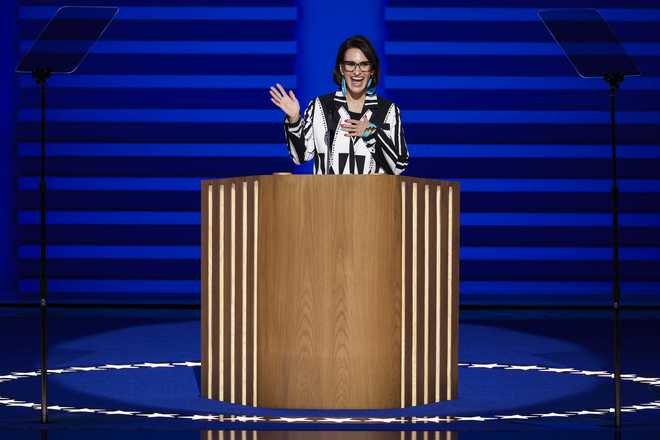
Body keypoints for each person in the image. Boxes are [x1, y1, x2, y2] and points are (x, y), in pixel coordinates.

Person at [269, 35, 409, 175]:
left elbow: (399, 165)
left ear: (372, 70)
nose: (357, 71)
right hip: (327, 195)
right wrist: (294, 119)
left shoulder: (389, 110)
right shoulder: (319, 106)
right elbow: (300, 157)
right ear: (341, 69)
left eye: (364, 64)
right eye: (350, 64)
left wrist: (370, 132)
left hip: (373, 196)